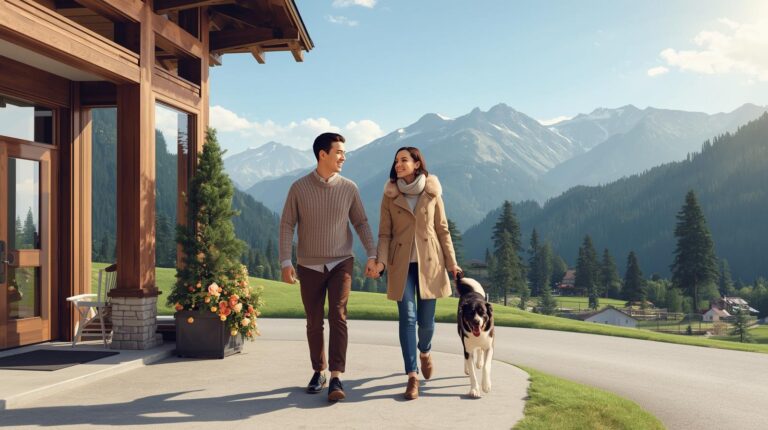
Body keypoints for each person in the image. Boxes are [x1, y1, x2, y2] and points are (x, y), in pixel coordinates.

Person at [279, 132, 379, 402]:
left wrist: (372, 253)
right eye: (338, 152)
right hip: (308, 264)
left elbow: (361, 223)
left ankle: (336, 376)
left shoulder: (349, 187)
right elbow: (287, 224)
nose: (343, 157)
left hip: (341, 262)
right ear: (322, 154)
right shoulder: (299, 188)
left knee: (338, 315)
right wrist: (286, 261)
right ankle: (318, 370)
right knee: (314, 322)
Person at [370, 146, 461, 400]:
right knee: (407, 318)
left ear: (417, 164)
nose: (398, 164)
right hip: (401, 265)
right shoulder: (389, 195)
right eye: (396, 161)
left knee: (427, 322)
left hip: (430, 263)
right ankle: (412, 376)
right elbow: (384, 234)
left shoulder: (432, 192)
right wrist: (381, 263)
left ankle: (425, 351)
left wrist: (452, 263)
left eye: (404, 160)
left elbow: (442, 230)